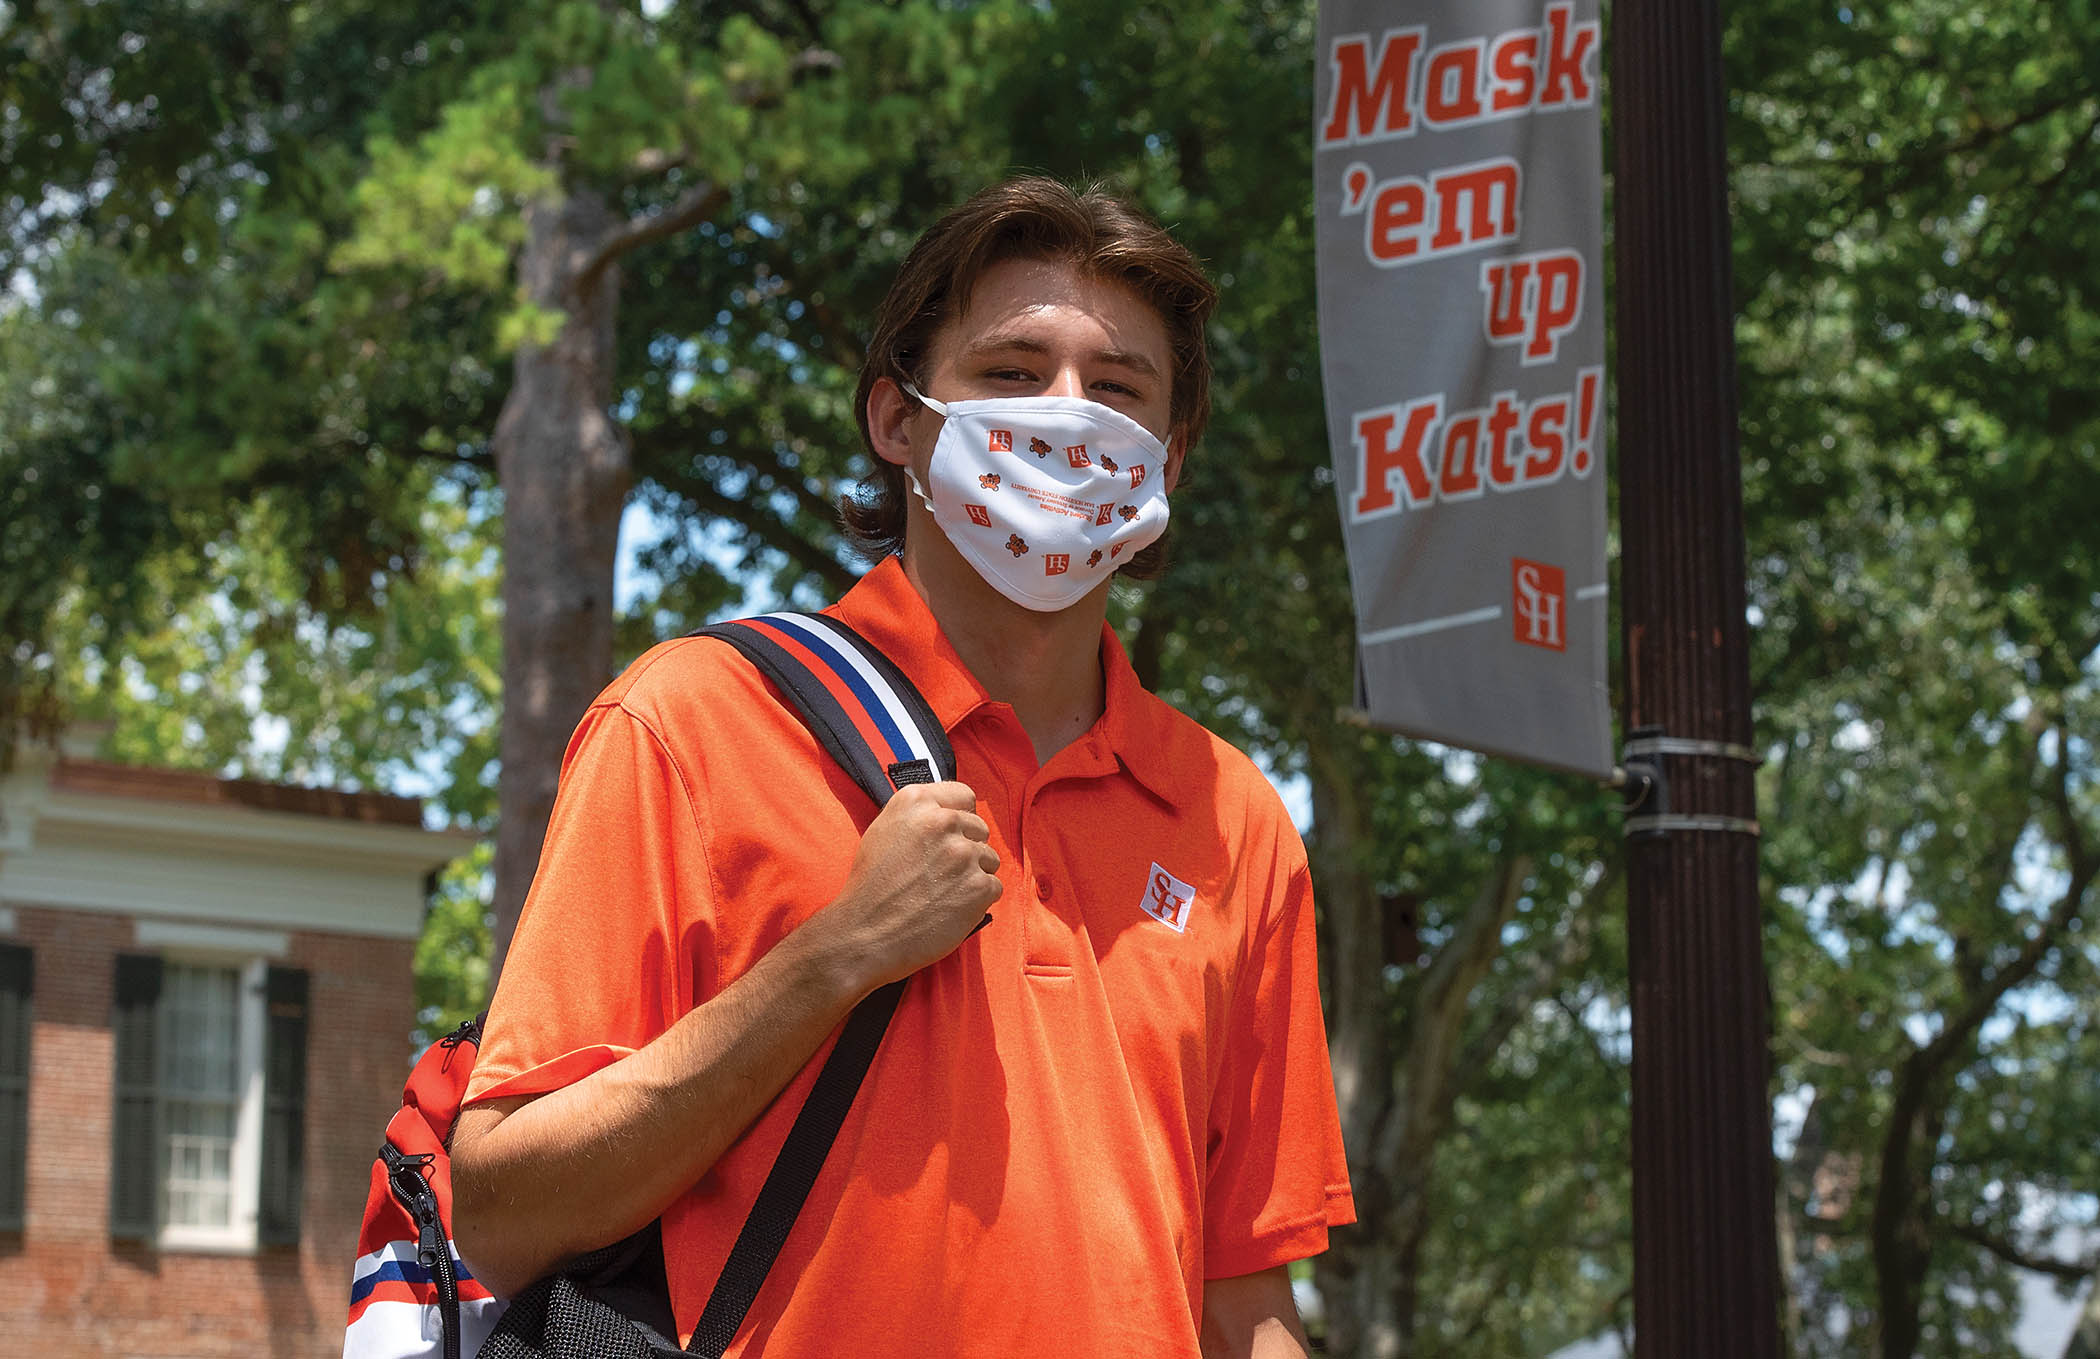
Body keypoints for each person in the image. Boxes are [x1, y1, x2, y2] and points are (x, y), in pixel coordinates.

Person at [450, 176, 1354, 1358]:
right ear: (899, 419)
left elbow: (1245, 1302)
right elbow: (504, 1214)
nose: (1067, 417)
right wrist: (833, 958)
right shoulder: (693, 720)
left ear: (1168, 460)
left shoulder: (1235, 820)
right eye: (1014, 373)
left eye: (1118, 388)